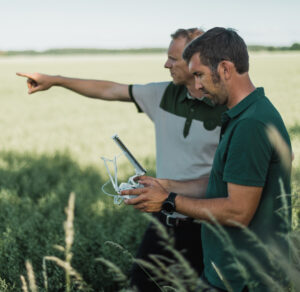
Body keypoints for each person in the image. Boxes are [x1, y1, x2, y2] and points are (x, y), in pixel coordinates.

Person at [17, 28, 227, 291]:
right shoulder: (161, 95)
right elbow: (109, 89)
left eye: (174, 59)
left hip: (210, 223)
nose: (166, 64)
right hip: (165, 217)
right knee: (141, 285)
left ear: (197, 62)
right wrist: (56, 80)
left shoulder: (228, 107)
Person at [122, 27, 292, 292]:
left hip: (243, 278)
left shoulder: (251, 125)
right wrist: (164, 184)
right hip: (222, 271)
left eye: (199, 75)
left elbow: (238, 211)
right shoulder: (243, 115)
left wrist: (167, 201)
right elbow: (221, 185)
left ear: (225, 69)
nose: (197, 85)